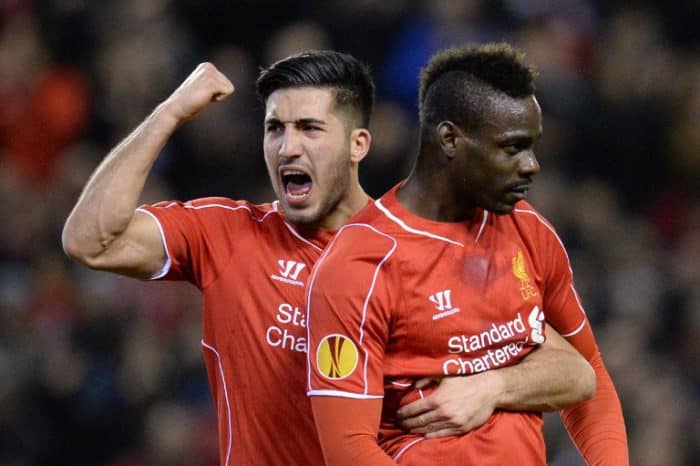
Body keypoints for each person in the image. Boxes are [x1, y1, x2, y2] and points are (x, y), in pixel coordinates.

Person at [62, 50, 595, 466]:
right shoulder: (225, 234)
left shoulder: (422, 249)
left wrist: (491, 385)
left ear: (358, 144)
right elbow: (92, 240)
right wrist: (169, 112)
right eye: (275, 128)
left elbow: (571, 368)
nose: (287, 148)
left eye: (310, 129)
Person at [306, 43, 628, 465]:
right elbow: (348, 450)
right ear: (450, 139)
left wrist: (493, 384)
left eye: (532, 147)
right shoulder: (360, 264)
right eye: (512, 147)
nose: (531, 165)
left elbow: (591, 379)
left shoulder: (529, 230)